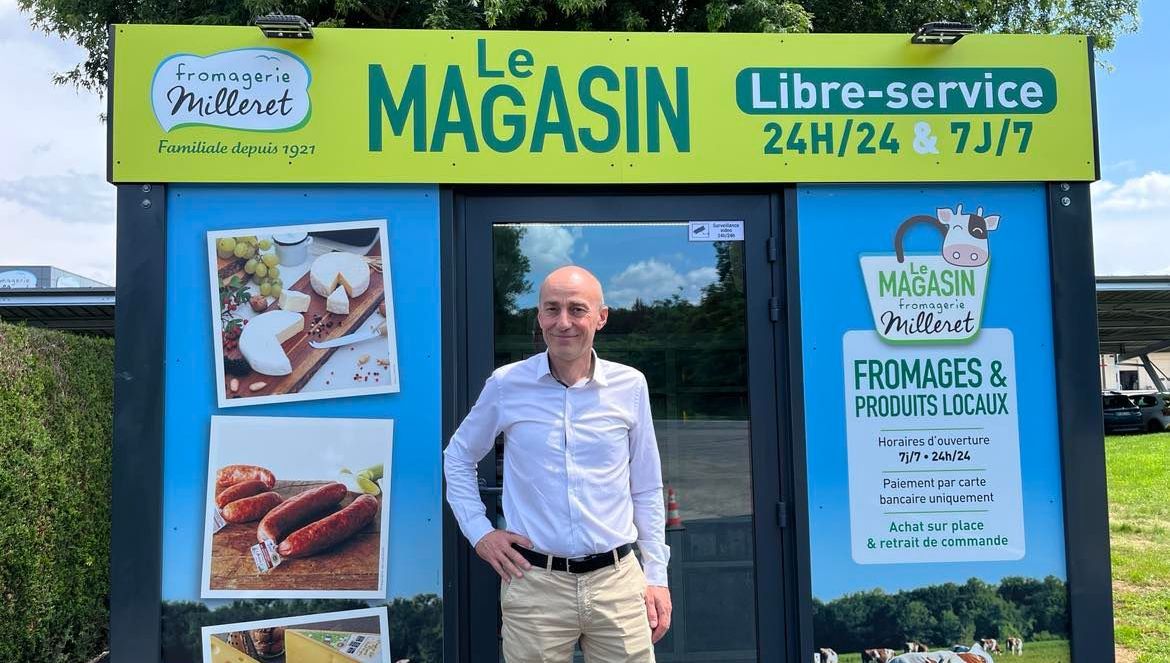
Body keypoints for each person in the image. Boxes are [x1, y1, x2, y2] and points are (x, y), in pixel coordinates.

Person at [444, 265, 672, 662]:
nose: (563, 322)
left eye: (577, 309)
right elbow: (458, 457)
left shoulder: (631, 386)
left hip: (617, 584)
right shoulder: (506, 384)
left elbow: (646, 486)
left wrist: (657, 575)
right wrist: (480, 533)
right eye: (552, 309)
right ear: (539, 317)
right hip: (534, 586)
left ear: (601, 318)